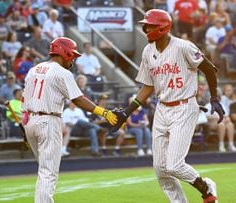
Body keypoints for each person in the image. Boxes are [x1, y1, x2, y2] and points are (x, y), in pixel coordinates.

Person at [111, 9, 224, 203]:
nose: (146, 29)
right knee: (161, 169)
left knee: (174, 165)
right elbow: (148, 86)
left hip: (184, 106)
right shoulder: (148, 51)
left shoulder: (183, 47)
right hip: (162, 108)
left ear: (163, 27)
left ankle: (206, 188)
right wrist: (128, 111)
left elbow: (209, 69)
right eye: (145, 26)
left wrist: (214, 98)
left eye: (150, 25)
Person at [21, 37, 117, 203]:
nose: (72, 59)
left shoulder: (34, 69)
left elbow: (24, 102)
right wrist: (104, 112)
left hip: (31, 122)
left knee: (44, 170)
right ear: (63, 52)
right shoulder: (62, 73)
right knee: (48, 172)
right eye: (71, 55)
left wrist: (26, 128)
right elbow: (78, 99)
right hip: (48, 122)